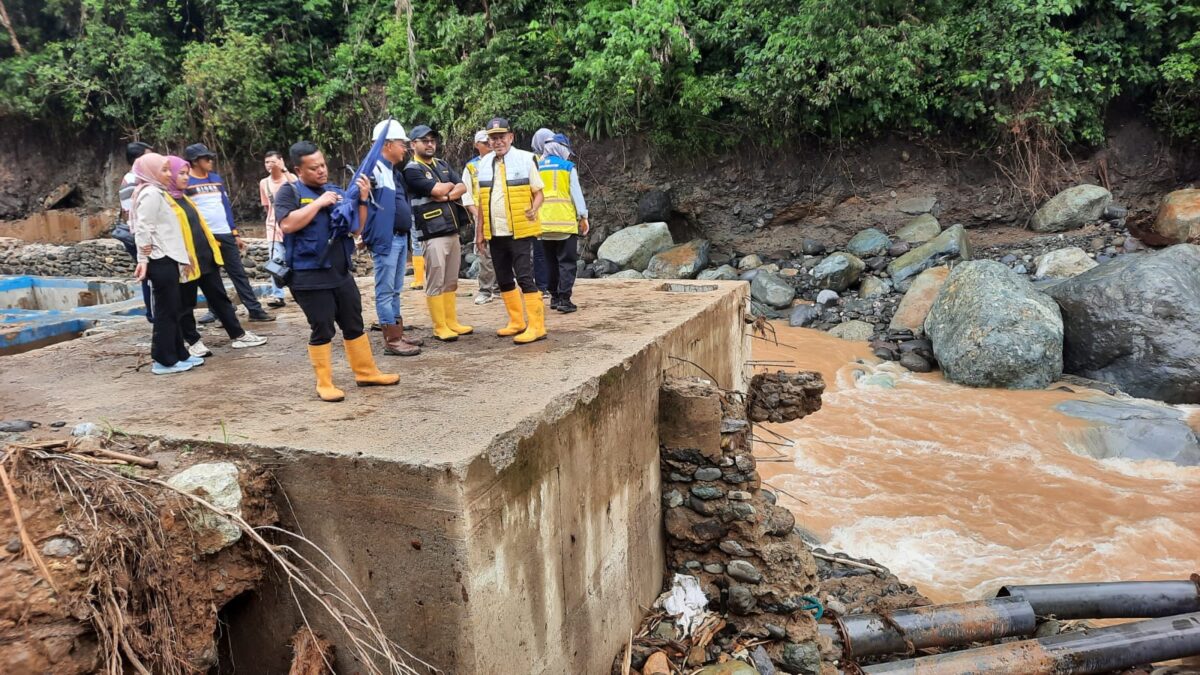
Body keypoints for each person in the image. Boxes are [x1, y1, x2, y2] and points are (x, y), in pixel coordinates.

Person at [275, 140, 399, 402]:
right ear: (299, 171)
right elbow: (287, 225)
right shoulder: (290, 192)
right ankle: (324, 383)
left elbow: (356, 229)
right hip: (308, 275)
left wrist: (363, 200)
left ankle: (366, 372)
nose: (321, 171)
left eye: (322, 165)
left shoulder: (336, 191)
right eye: (313, 168)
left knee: (354, 323)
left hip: (340, 271)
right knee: (322, 327)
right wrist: (318, 203)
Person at [158, 156, 268, 358]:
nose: (185, 178)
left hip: (205, 257)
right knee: (186, 304)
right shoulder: (164, 201)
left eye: (185, 173)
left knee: (220, 298)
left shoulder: (185, 198)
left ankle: (238, 335)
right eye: (180, 174)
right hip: (186, 262)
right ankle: (192, 341)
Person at [470, 117, 546, 344]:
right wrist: (480, 232)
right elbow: (482, 201)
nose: (497, 141)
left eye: (501, 137)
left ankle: (537, 326)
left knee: (524, 276)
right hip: (496, 232)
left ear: (510, 137)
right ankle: (516, 321)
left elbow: (539, 192)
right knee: (503, 278)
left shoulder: (525, 159)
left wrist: (534, 208)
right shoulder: (483, 164)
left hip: (520, 231)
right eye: (493, 138)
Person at [183, 142, 275, 323]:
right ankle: (215, 310)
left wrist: (235, 233)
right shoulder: (187, 182)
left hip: (224, 233)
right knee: (210, 276)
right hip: (204, 237)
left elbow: (225, 206)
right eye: (206, 158)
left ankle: (254, 310)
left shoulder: (216, 178)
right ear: (194, 161)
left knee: (238, 273)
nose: (210, 161)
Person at [129, 153, 202, 374]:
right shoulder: (150, 193)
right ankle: (163, 359)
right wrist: (143, 258)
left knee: (173, 309)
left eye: (169, 169)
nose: (169, 174)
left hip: (168, 258)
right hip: (161, 259)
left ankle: (179, 354)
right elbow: (144, 228)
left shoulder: (158, 192)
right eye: (164, 170)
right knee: (166, 311)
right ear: (151, 172)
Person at [403, 124, 473, 342]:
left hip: (450, 229)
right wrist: (446, 188)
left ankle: (451, 321)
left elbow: (462, 186)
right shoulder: (412, 170)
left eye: (432, 140)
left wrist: (447, 194)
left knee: (451, 279)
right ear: (413, 145)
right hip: (431, 232)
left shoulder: (441, 164)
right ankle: (439, 326)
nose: (430, 144)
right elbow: (436, 190)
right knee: (435, 279)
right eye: (425, 141)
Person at [363, 119, 422, 356]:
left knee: (395, 289)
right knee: (386, 290)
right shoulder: (372, 169)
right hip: (385, 239)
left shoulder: (390, 170)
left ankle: (397, 333)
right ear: (387, 144)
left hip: (398, 237)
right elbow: (361, 202)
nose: (405, 148)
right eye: (401, 143)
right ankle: (392, 340)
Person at [532, 129, 590, 313]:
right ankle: (565, 299)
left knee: (550, 262)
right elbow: (576, 194)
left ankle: (554, 298)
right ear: (561, 148)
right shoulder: (567, 167)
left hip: (543, 224)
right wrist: (583, 216)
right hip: (564, 223)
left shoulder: (535, 167)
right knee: (567, 262)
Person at [117, 141, 155, 322]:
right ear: (138, 159)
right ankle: (154, 316)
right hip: (143, 236)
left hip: (141, 234)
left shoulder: (131, 179)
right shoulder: (134, 181)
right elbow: (140, 216)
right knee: (151, 277)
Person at [461, 130, 499, 305]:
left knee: (505, 251)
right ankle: (486, 289)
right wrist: (477, 214)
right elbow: (466, 194)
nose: (489, 145)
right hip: (482, 215)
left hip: (501, 215)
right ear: (477, 145)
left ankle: (501, 286)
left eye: (490, 141)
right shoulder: (471, 167)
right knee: (485, 254)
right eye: (485, 142)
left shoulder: (502, 161)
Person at [259, 150, 295, 309]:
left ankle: (298, 290)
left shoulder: (290, 178)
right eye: (267, 162)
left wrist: (285, 170)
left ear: (281, 161)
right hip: (273, 228)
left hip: (292, 226)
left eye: (273, 162)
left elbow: (299, 189)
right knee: (275, 262)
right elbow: (267, 207)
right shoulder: (264, 183)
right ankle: (278, 295)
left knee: (293, 261)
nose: (269, 165)